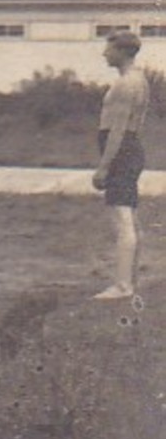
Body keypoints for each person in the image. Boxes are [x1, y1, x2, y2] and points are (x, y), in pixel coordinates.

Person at [92, 31, 147, 301]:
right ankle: (130, 280)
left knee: (122, 218)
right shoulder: (139, 80)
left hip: (121, 151)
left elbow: (118, 130)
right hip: (128, 149)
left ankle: (123, 286)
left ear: (122, 52)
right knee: (130, 217)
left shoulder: (127, 84)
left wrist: (103, 166)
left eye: (109, 49)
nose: (104, 54)